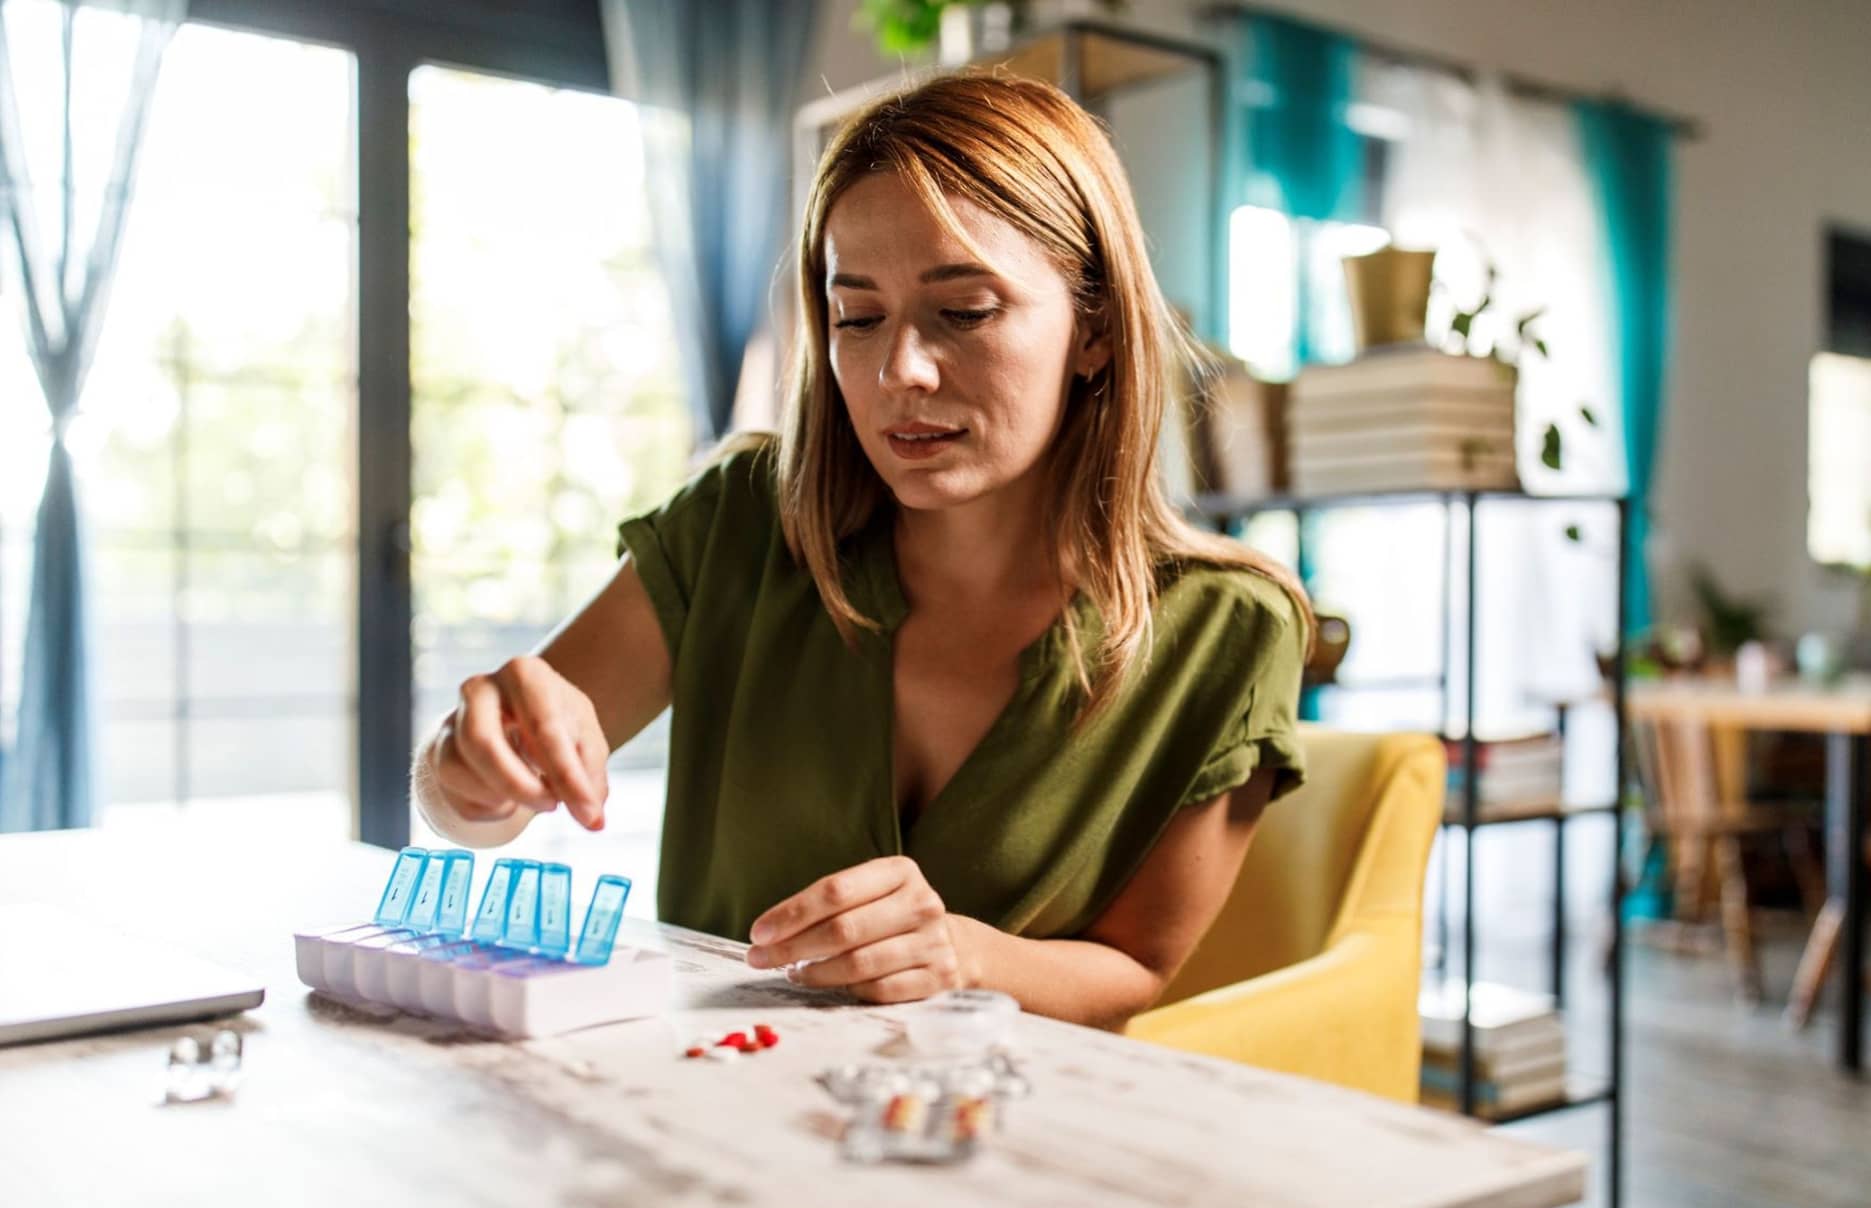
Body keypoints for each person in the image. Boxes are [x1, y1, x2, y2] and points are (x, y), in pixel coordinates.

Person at [413, 72, 1309, 1031]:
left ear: (1094, 327)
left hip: (990, 1131)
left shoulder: (1227, 629)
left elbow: (1139, 969)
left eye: (964, 312)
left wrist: (963, 955)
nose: (898, 373)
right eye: (857, 317)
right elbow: (477, 800)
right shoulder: (740, 525)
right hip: (709, 1109)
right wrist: (468, 769)